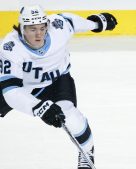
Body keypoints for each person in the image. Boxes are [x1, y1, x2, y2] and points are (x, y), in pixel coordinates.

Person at [0, 5, 117, 169]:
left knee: (70, 116)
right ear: (21, 28)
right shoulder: (10, 47)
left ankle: (86, 153)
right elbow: (11, 91)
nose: (39, 34)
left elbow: (72, 22)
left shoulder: (58, 27)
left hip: (56, 81)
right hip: (22, 87)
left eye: (42, 28)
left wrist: (97, 24)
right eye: (32, 29)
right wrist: (38, 107)